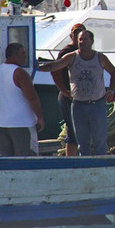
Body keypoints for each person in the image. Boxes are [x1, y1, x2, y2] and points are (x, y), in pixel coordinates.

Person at [38, 30, 115, 156]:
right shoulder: (72, 57)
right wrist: (37, 68)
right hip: (78, 106)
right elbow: (54, 66)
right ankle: (85, 169)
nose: (82, 42)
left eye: (86, 39)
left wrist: (111, 90)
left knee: (100, 142)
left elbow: (114, 72)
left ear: (92, 41)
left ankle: (101, 167)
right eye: (80, 39)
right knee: (82, 142)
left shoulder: (100, 57)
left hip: (97, 104)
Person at [0, 43, 44, 156]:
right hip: (22, 124)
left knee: (4, 160)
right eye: (23, 53)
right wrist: (40, 118)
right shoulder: (19, 73)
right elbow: (32, 97)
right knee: (26, 159)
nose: (25, 56)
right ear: (14, 55)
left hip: (1, 123)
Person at [50, 23, 85, 156]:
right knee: (72, 130)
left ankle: (79, 158)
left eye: (81, 33)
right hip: (68, 96)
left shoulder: (84, 52)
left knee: (80, 129)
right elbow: (55, 71)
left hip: (81, 96)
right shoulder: (67, 51)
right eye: (76, 33)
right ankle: (71, 159)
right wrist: (64, 90)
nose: (78, 36)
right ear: (71, 36)